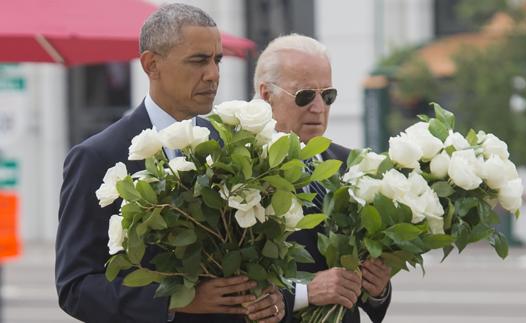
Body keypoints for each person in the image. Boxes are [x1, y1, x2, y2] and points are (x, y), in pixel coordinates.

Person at [56, 4, 286, 323]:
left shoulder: (229, 145)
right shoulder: (97, 157)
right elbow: (76, 288)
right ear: (152, 64)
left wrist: (271, 298)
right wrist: (177, 300)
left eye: (217, 59)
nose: (213, 74)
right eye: (198, 61)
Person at [253, 34, 392, 323]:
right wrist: (306, 292)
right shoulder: (240, 174)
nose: (318, 107)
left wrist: (377, 287)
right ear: (267, 94)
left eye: (327, 95)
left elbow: (367, 294)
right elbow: (231, 283)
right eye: (304, 95)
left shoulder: (350, 165)